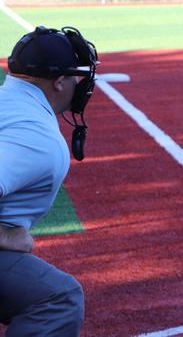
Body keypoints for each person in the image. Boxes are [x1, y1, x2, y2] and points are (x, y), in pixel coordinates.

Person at [0, 25, 98, 336]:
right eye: (73, 77)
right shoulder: (40, 139)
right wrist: (5, 237)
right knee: (59, 299)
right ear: (58, 82)